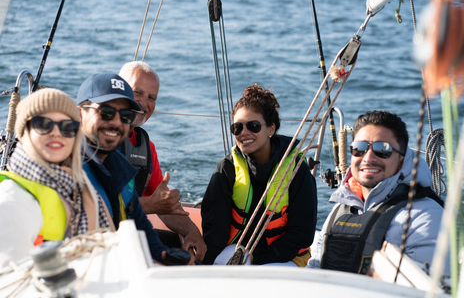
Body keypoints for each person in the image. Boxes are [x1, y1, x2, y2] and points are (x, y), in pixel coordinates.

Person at [307, 110, 445, 274]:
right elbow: (313, 271)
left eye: (383, 149)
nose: (368, 158)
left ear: (402, 160)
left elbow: (424, 287)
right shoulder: (339, 210)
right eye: (360, 148)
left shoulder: (425, 215)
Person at [201, 84, 317, 266]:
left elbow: (301, 234)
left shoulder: (296, 170)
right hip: (241, 251)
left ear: (271, 129)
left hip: (287, 255)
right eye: (237, 128)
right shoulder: (226, 169)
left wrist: (259, 264)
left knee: (269, 280)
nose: (244, 133)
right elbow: (215, 231)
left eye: (253, 126)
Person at [0, 89, 114, 267]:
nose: (56, 132)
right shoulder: (11, 200)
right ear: (24, 131)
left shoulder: (80, 188)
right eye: (44, 124)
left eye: (67, 127)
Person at [76, 73, 171, 263]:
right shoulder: (64, 165)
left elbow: (141, 226)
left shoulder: (121, 169)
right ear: (81, 113)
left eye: (126, 116)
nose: (116, 122)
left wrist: (165, 255)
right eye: (106, 113)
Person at [118, 61, 206, 262]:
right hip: (103, 238)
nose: (143, 103)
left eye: (152, 97)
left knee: (185, 252)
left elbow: (163, 205)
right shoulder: (101, 139)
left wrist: (193, 232)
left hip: (130, 233)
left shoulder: (145, 146)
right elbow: (102, 205)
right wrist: (150, 205)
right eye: (137, 92)